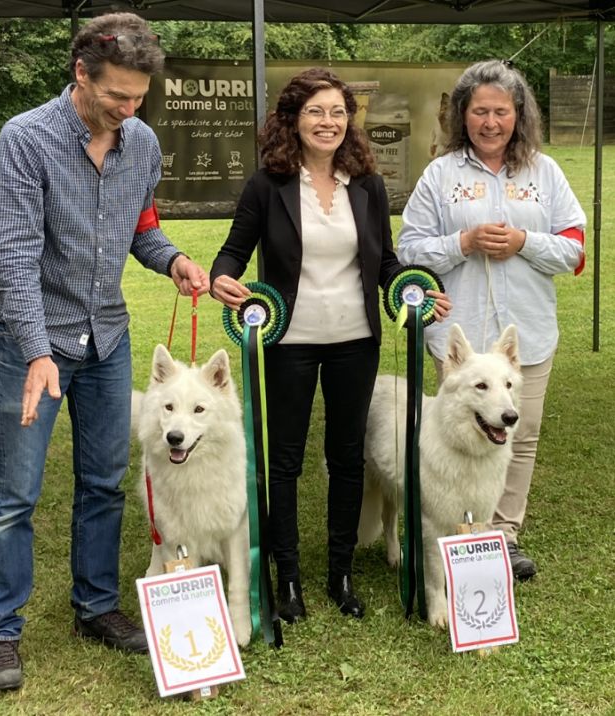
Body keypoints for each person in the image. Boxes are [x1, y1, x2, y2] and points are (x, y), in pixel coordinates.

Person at [0, 12, 210, 692]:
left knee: (104, 484)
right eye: (117, 97)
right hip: (34, 345)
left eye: (139, 99)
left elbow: (143, 230)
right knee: (15, 494)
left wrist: (175, 263)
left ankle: (97, 607)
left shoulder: (140, 142)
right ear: (81, 73)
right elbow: (14, 256)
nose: (129, 110)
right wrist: (35, 349)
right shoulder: (25, 138)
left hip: (107, 339)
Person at [210, 68, 450, 624]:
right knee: (285, 459)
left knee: (346, 458)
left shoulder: (365, 184)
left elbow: (385, 261)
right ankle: (288, 577)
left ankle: (340, 571)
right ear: (293, 118)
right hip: (287, 340)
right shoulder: (267, 185)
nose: (329, 122)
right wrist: (224, 278)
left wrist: (412, 290)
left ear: (350, 121)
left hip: (356, 341)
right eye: (317, 111)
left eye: (338, 112)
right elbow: (233, 251)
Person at [397, 59, 586, 581]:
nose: (490, 122)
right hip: (459, 338)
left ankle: (502, 534)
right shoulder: (441, 174)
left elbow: (576, 247)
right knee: (454, 434)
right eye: (479, 111)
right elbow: (408, 247)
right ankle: (459, 532)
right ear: (463, 114)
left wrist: (526, 242)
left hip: (524, 335)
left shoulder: (544, 172)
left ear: (518, 114)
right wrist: (463, 243)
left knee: (517, 435)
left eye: (501, 111)